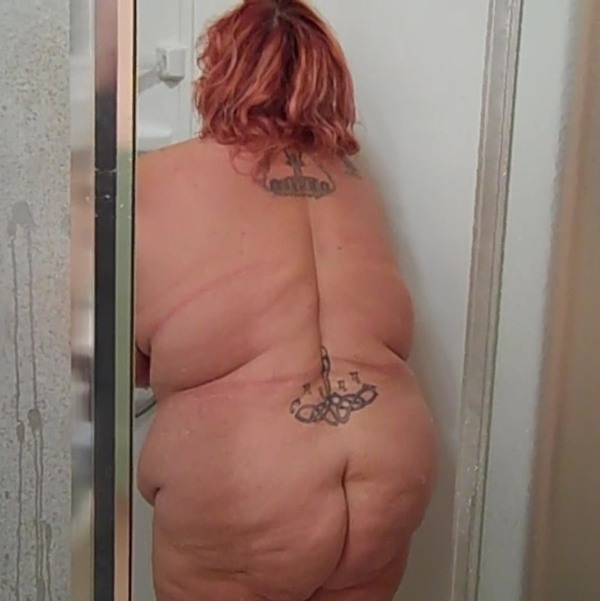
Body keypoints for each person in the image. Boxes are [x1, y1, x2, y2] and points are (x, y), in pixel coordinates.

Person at [135, 1, 438, 599]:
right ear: (326, 79)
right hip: (389, 477)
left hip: (245, 497)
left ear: (219, 71)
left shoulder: (152, 181)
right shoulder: (355, 185)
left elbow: (120, 365)